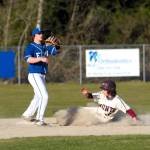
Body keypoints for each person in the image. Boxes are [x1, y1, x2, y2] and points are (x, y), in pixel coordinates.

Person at [22, 27, 60, 126]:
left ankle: (27, 114)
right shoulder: (31, 47)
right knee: (45, 96)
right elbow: (29, 59)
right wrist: (41, 58)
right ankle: (39, 119)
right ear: (34, 35)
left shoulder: (45, 46)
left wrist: (57, 45)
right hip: (34, 74)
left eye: (42, 33)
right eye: (39, 33)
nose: (41, 35)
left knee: (38, 96)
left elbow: (55, 51)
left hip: (42, 76)